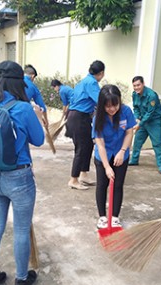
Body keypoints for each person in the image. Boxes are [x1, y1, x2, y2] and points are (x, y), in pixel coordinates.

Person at [0, 61, 45, 285]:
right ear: (20, 82)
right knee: (21, 230)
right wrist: (34, 114)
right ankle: (21, 279)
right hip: (19, 178)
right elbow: (38, 140)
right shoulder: (23, 108)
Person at [92, 85, 136, 229]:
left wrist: (123, 151)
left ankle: (115, 217)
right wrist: (106, 166)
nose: (112, 109)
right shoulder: (98, 117)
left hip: (121, 153)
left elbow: (129, 132)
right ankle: (102, 217)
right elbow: (101, 145)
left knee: (118, 185)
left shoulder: (126, 112)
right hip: (103, 155)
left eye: (115, 105)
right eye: (108, 106)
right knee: (102, 185)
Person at [66, 60, 105, 190]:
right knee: (81, 148)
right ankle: (73, 179)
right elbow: (100, 100)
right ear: (101, 73)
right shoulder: (92, 83)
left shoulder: (82, 82)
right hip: (79, 118)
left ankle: (83, 174)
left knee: (88, 145)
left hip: (75, 116)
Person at [129, 76, 161, 174]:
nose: (136, 87)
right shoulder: (134, 94)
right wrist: (136, 117)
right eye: (134, 86)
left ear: (143, 84)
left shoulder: (151, 95)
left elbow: (150, 113)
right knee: (137, 141)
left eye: (138, 85)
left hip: (153, 121)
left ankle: (160, 164)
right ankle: (134, 160)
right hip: (142, 121)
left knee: (157, 143)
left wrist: (139, 124)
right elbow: (135, 107)